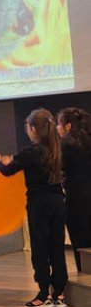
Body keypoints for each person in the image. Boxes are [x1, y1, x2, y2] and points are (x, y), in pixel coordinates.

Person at [0, 108, 68, 307]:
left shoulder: (30, 152)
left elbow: (8, 170)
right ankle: (59, 294)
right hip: (58, 202)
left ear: (33, 129)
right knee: (57, 248)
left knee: (40, 249)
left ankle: (43, 295)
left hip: (39, 204)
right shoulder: (58, 150)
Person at [57, 107, 91, 272]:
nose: (58, 128)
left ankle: (84, 274)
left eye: (59, 124)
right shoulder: (88, 141)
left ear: (68, 126)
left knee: (79, 241)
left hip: (76, 198)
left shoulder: (64, 145)